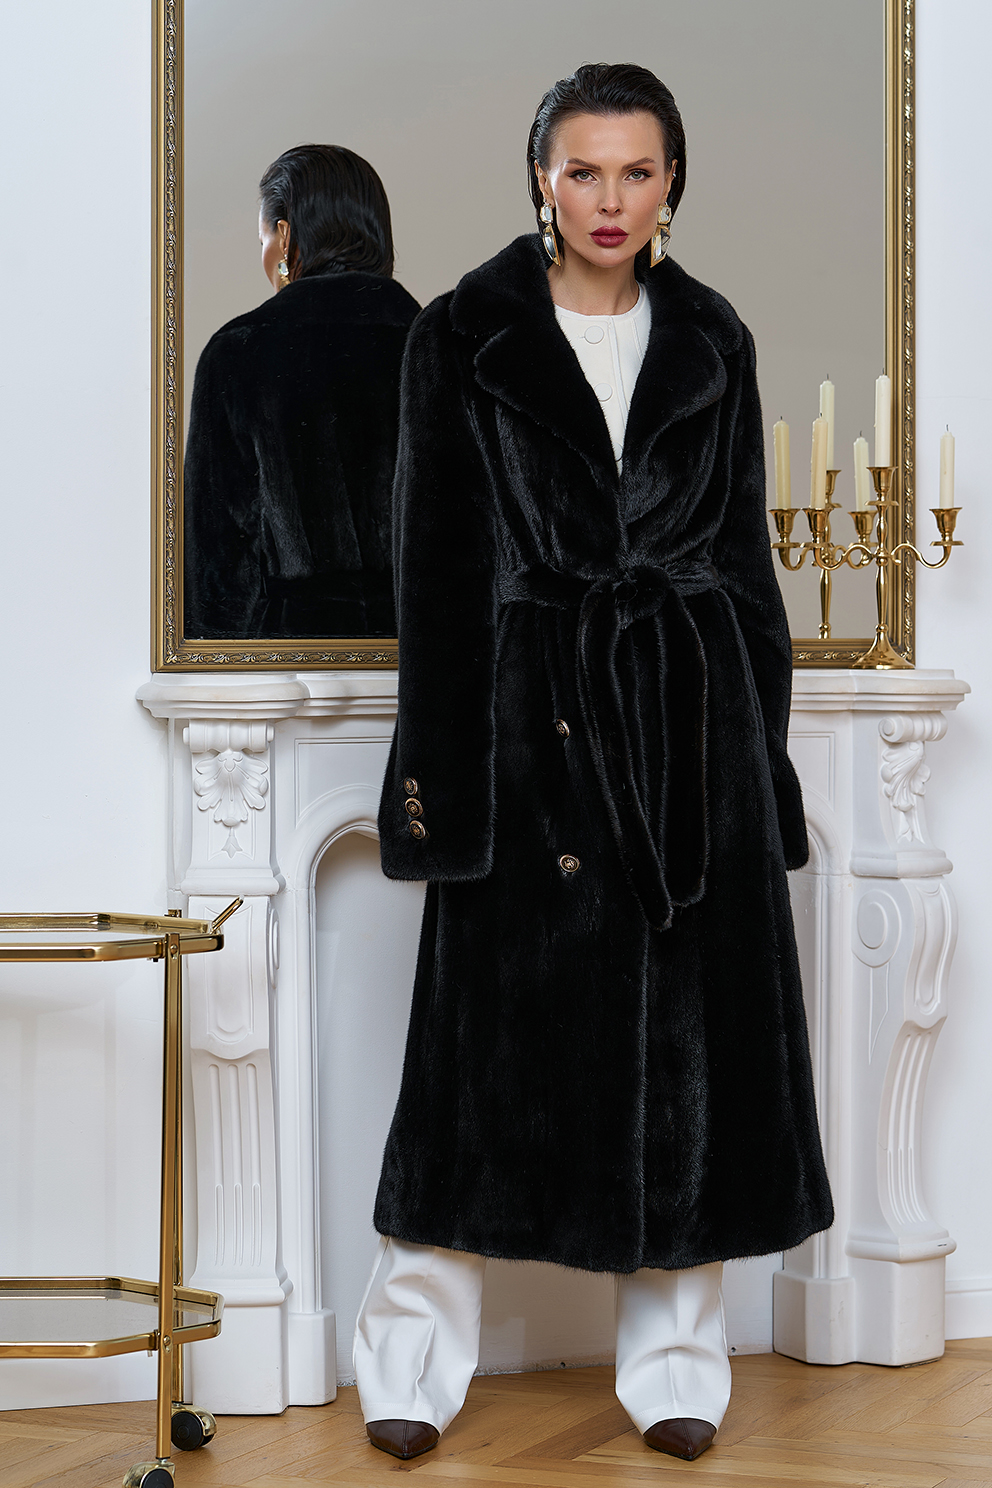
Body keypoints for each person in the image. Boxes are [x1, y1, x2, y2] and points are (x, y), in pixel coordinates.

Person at [356, 64, 833, 1465]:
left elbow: (741, 570)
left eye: (635, 170)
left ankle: (678, 1369)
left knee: (686, 1063)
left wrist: (761, 770)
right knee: (473, 1067)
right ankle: (409, 1364)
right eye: (583, 170)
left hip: (692, 734)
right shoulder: (461, 334)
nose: (608, 200)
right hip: (531, 729)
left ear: (671, 181)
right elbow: (435, 576)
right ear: (541, 180)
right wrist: (441, 795)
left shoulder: (714, 337)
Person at [183, 144, 420, 639]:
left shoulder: (237, 351)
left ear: (286, 235)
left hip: (290, 660)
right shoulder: (441, 344)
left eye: (263, 239)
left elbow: (218, 558)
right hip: (425, 655)